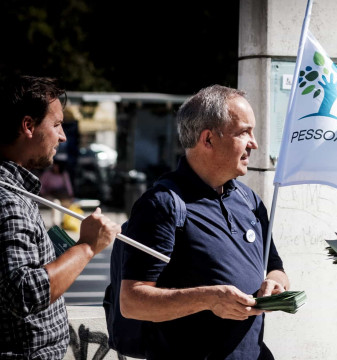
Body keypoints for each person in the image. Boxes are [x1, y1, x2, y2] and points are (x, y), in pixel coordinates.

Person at [119, 84, 289, 359]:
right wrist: (209, 299)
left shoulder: (250, 201)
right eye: (244, 132)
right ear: (208, 139)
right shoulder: (162, 204)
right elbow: (132, 302)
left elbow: (275, 267)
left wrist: (275, 284)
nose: (254, 143)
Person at [0, 75, 121, 359]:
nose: (63, 136)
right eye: (55, 125)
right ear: (28, 126)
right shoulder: (7, 201)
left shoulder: (16, 190)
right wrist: (88, 247)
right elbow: (24, 294)